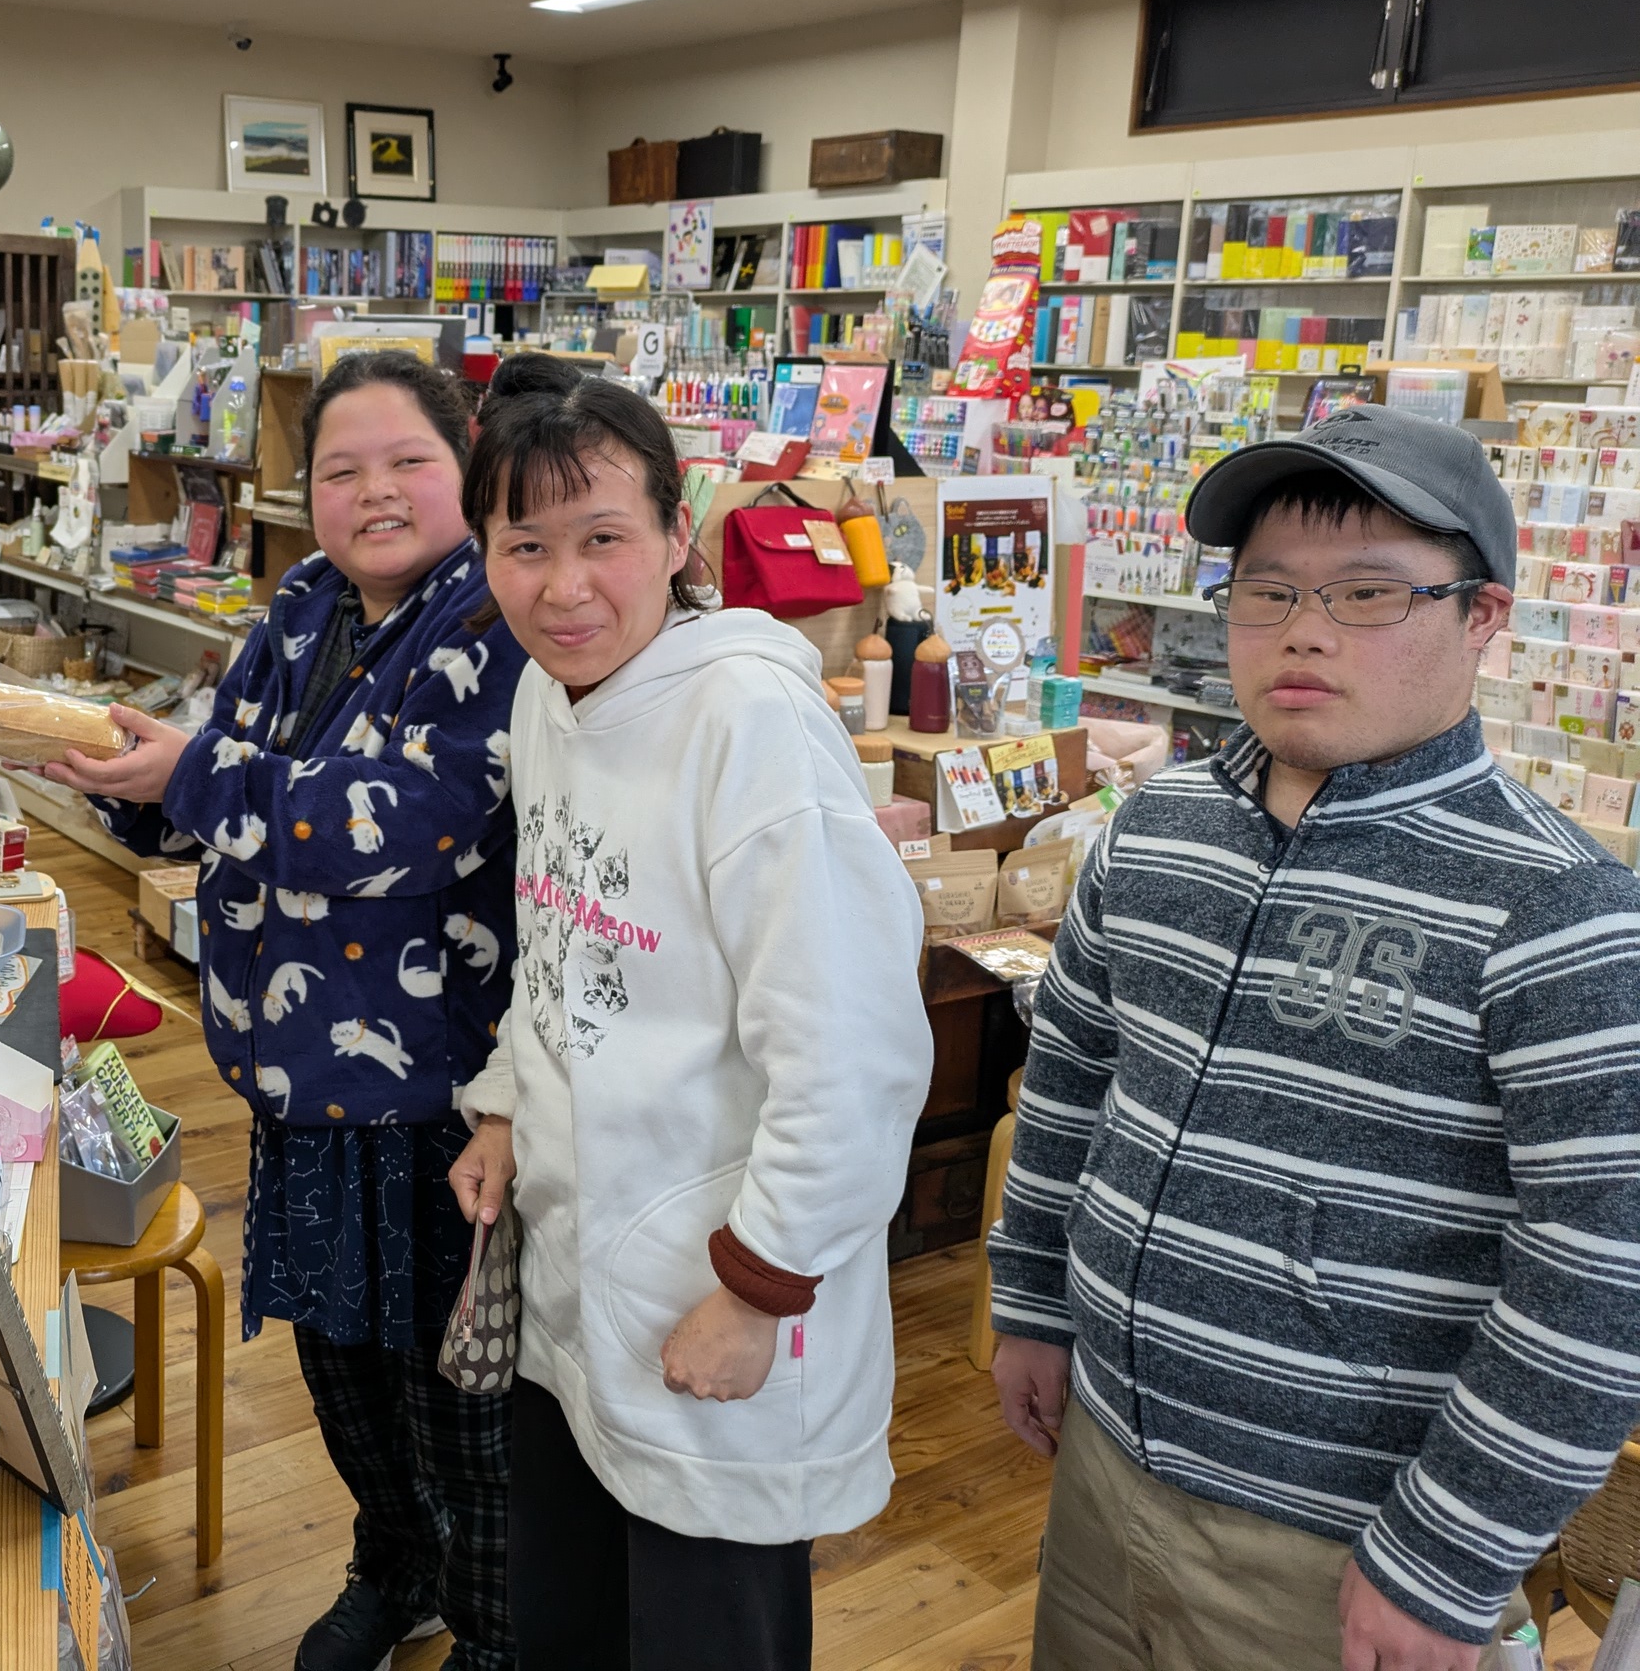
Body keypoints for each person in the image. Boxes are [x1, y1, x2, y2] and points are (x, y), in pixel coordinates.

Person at [987, 403, 1640, 1671]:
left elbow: (1599, 1274)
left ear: (1483, 618)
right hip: (1101, 1463)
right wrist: (1031, 1303)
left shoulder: (1561, 911)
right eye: (1268, 590)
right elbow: (1069, 1079)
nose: (1302, 629)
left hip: (1343, 1543)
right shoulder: (1155, 828)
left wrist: (1446, 1556)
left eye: (1368, 594)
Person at [48, 351, 525, 1671]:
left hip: (440, 1087)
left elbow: (402, 824)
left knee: (455, 1391)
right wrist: (123, 781)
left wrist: (195, 777)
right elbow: (224, 772)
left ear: (467, 465)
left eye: (408, 462)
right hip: (299, 1076)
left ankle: (494, 1633)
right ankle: (396, 1564)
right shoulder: (304, 603)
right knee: (339, 1360)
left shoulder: (496, 619)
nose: (375, 493)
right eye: (339, 469)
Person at [448, 378, 932, 1670]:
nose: (564, 588)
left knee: (703, 1632)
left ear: (677, 536)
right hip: (578, 1273)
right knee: (570, 1625)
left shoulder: (749, 724)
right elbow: (560, 939)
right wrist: (505, 1102)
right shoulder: (550, 695)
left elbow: (853, 1052)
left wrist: (757, 1287)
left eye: (603, 538)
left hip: (718, 1292)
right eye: (524, 546)